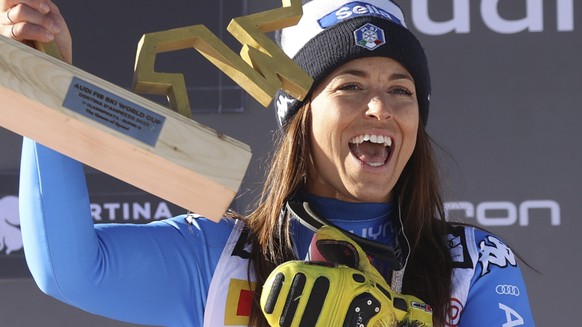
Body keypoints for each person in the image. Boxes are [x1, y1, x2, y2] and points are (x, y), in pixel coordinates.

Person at [4, 0, 536, 326]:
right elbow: (69, 271)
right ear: (298, 119)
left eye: (402, 90)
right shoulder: (221, 257)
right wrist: (45, 83)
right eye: (350, 87)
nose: (380, 108)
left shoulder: (473, 263)